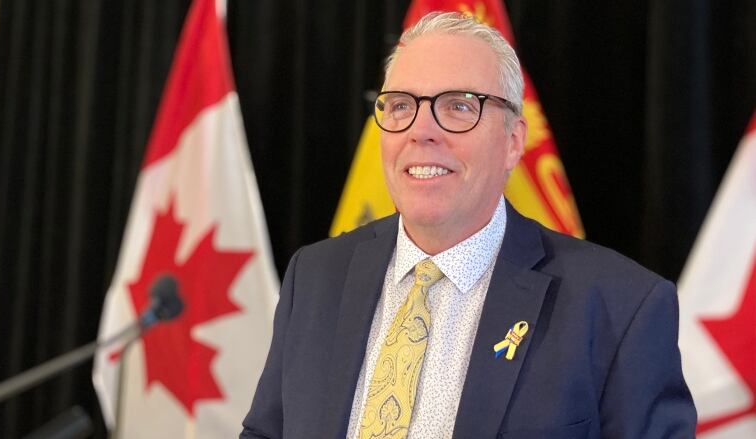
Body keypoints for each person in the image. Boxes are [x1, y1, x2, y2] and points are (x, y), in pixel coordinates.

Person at [241, 11, 696, 439]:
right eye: (400, 106)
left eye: (458, 106)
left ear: (513, 141)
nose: (421, 130)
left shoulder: (622, 307)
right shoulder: (316, 277)